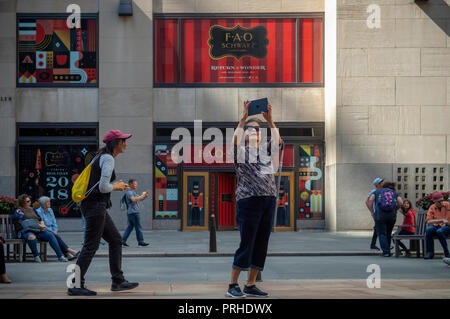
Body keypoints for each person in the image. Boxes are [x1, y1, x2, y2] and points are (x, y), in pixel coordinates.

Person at [68, 129, 139, 296]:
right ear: (116, 143)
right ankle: (75, 285)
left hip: (95, 206)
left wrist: (114, 184)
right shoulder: (107, 158)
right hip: (95, 207)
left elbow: (101, 184)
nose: (125, 144)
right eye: (123, 141)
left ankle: (118, 281)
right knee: (90, 246)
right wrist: (117, 186)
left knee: (115, 240)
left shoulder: (102, 157)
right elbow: (103, 187)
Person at [227, 100, 282, 298]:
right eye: (251, 129)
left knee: (261, 243)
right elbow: (233, 141)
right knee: (247, 242)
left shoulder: (266, 150)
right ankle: (233, 285)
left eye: (258, 130)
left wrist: (270, 121)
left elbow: (278, 142)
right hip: (249, 200)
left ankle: (250, 284)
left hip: (268, 200)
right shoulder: (241, 151)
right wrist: (243, 119)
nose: (254, 132)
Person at [12, 194, 69, 262]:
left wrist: (42, 224)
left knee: (50, 235)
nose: (30, 202)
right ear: (22, 203)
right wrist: (33, 224)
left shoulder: (32, 209)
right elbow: (23, 222)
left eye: (30, 201)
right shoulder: (19, 211)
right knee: (31, 237)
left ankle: (60, 256)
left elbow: (39, 218)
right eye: (27, 201)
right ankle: (36, 256)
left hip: (37, 229)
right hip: (25, 231)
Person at [36, 196, 79, 261]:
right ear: (43, 204)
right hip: (43, 231)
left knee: (54, 235)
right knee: (53, 236)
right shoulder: (38, 212)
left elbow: (54, 222)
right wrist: (50, 230)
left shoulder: (50, 210)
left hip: (52, 231)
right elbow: (41, 224)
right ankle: (68, 251)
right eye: (48, 202)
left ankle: (67, 254)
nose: (49, 203)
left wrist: (54, 231)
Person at [368, 182, 403, 257]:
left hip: (380, 215)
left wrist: (372, 211)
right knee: (388, 233)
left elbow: (370, 200)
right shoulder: (394, 193)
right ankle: (388, 250)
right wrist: (395, 209)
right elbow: (400, 202)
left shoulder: (377, 191)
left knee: (381, 233)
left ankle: (386, 252)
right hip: (391, 216)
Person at [122, 179, 150, 247]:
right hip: (134, 212)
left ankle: (122, 240)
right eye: (134, 184)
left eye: (136, 184)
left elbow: (140, 199)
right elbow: (134, 200)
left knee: (130, 227)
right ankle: (141, 241)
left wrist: (145, 196)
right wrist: (142, 196)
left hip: (131, 212)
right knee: (138, 227)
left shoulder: (132, 192)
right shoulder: (129, 193)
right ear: (130, 184)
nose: (136, 185)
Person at [424, 192, 450, 259]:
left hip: (448, 226)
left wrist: (446, 222)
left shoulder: (447, 205)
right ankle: (429, 252)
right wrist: (440, 220)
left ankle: (446, 252)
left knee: (439, 231)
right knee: (429, 230)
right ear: (434, 201)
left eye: (442, 200)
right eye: (439, 201)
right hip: (437, 225)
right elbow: (428, 221)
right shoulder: (432, 207)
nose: (441, 202)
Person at [365, 177, 383, 251]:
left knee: (377, 228)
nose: (383, 183)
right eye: (381, 182)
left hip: (382, 213)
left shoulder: (383, 191)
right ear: (378, 184)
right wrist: (372, 212)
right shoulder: (374, 191)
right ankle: (383, 244)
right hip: (378, 213)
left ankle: (373, 244)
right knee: (380, 229)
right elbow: (367, 201)